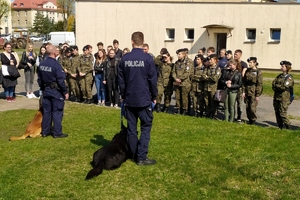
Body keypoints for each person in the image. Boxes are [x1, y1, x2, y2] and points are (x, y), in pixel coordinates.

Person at [118, 31, 157, 165]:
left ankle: (134, 154)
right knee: (146, 127)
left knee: (131, 129)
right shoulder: (148, 59)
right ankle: (141, 157)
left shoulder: (124, 59)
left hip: (129, 99)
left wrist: (123, 96)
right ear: (142, 41)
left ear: (132, 41)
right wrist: (155, 96)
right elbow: (153, 80)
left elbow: (121, 81)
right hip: (144, 99)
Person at [37, 44, 69, 138]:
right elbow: (61, 80)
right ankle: (57, 133)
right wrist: (65, 92)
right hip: (56, 92)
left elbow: (39, 79)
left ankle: (45, 131)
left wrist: (43, 89)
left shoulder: (42, 63)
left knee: (47, 112)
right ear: (55, 53)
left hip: (46, 91)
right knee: (57, 112)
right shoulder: (56, 65)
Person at [272, 60, 294, 129]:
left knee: (282, 112)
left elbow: (284, 87)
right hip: (277, 96)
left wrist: (277, 86)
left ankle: (288, 125)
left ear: (287, 67)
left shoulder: (289, 77)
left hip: (284, 98)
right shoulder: (279, 76)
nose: (281, 67)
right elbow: (273, 84)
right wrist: (278, 86)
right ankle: (280, 126)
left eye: (282, 66)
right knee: (277, 112)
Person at [172, 48, 193, 115]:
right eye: (178, 54)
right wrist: (175, 78)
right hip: (177, 82)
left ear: (183, 55)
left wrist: (179, 78)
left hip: (185, 83)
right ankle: (178, 109)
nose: (178, 55)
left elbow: (187, 73)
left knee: (184, 97)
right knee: (177, 97)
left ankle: (185, 109)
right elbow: (173, 72)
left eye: (179, 54)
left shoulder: (188, 62)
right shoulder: (177, 62)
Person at [242, 57, 263, 125]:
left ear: (255, 63)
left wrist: (257, 94)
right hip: (247, 90)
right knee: (247, 106)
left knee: (252, 107)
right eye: (249, 62)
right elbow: (244, 82)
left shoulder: (258, 72)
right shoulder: (248, 71)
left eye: (251, 62)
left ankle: (253, 119)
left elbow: (259, 84)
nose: (249, 64)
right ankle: (250, 120)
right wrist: (244, 91)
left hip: (254, 91)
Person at [202, 54, 221, 119]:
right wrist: (208, 77)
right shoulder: (207, 68)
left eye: (211, 59)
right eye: (209, 60)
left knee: (213, 102)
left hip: (213, 88)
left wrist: (208, 77)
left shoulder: (217, 69)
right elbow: (203, 76)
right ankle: (207, 113)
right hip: (206, 87)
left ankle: (213, 115)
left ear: (215, 60)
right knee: (206, 101)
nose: (209, 61)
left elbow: (215, 78)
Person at [234, 49, 248, 122]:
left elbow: (243, 75)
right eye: (234, 54)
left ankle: (239, 116)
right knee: (232, 101)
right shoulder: (232, 63)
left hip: (240, 85)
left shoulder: (244, 64)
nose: (235, 55)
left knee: (239, 102)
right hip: (233, 85)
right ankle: (232, 115)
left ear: (240, 55)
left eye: (236, 54)